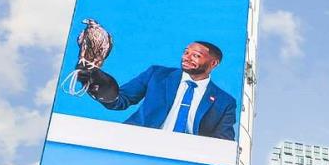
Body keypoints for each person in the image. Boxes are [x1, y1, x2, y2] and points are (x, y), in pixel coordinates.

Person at [75, 41, 238, 140]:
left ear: (213, 63)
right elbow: (120, 100)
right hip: (138, 144)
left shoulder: (225, 102)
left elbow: (223, 142)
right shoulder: (157, 74)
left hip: (187, 159)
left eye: (195, 55)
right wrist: (97, 83)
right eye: (185, 52)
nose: (186, 57)